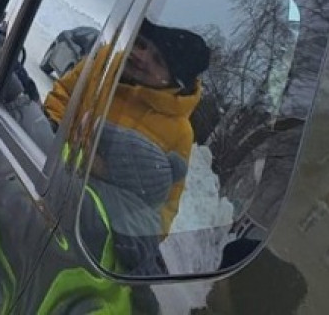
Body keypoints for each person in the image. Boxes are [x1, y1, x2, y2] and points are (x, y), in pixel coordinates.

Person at [45, 19, 211, 230]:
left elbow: (162, 213)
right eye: (141, 44)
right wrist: (51, 136)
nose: (141, 57)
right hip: (45, 176)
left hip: (86, 227)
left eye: (158, 60)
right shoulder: (103, 62)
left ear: (175, 81)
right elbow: (61, 96)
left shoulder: (179, 133)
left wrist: (118, 225)